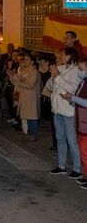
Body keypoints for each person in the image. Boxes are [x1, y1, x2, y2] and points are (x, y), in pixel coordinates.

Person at [45, 47, 83, 178]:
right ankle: (61, 166)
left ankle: (77, 168)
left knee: (72, 140)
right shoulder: (60, 69)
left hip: (69, 111)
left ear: (69, 57)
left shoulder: (76, 70)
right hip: (57, 109)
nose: (59, 57)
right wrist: (52, 78)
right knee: (60, 138)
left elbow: (73, 88)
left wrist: (58, 77)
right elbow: (49, 87)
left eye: (62, 55)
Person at [60, 58, 87, 189]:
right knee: (83, 149)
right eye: (80, 69)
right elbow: (78, 99)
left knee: (84, 149)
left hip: (85, 121)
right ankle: (85, 175)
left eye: (82, 69)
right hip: (81, 120)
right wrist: (71, 100)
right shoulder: (83, 82)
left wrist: (72, 97)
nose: (80, 72)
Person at [7, 53, 42, 142]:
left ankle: (33, 135)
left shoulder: (34, 72)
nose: (24, 61)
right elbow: (19, 80)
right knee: (28, 116)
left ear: (32, 62)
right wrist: (12, 76)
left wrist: (19, 82)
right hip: (25, 96)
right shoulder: (25, 71)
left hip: (31, 97)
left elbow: (31, 85)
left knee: (32, 116)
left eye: (27, 59)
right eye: (25, 59)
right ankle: (28, 134)